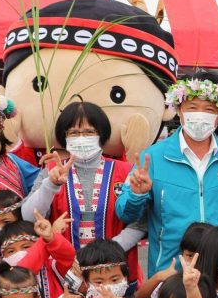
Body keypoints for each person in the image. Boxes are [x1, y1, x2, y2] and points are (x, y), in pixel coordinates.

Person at [116, 74, 218, 273]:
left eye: (209, 110)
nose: (200, 115)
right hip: (169, 271)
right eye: (193, 108)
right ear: (179, 111)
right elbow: (124, 213)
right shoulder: (152, 157)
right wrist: (137, 194)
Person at [26, 101, 146, 280]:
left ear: (102, 135)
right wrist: (50, 185)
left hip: (115, 268)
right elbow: (29, 217)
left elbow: (140, 222)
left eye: (89, 132)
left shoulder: (125, 171)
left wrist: (109, 250)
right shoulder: (52, 171)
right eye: (73, 133)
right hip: (64, 270)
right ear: (64, 137)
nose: (81, 137)